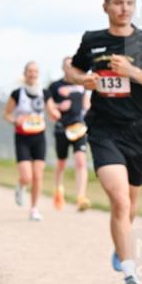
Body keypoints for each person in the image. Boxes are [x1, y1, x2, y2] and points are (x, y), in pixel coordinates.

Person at [66, 0, 142, 284]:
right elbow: (71, 67)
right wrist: (80, 79)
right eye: (117, 2)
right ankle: (131, 277)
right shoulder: (93, 40)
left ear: (134, 5)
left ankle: (121, 242)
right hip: (103, 131)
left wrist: (132, 71)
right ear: (106, 7)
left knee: (131, 204)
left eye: (129, 2)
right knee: (120, 202)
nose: (123, 8)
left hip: (138, 132)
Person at [3, 61, 50, 222]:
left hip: (39, 137)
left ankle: (34, 209)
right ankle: (21, 186)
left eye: (35, 71)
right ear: (25, 73)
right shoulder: (17, 93)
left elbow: (52, 111)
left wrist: (58, 113)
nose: (32, 74)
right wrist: (16, 120)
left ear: (38, 74)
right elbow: (7, 114)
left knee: (38, 175)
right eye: (30, 71)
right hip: (22, 137)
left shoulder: (44, 92)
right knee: (27, 176)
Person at [47, 56, 92, 212]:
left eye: (73, 66)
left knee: (81, 161)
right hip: (62, 129)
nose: (70, 68)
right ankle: (58, 189)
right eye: (67, 66)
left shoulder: (82, 84)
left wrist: (89, 115)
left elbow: (87, 104)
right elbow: (50, 108)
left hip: (79, 128)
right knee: (61, 163)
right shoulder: (54, 86)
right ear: (63, 68)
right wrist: (59, 107)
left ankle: (81, 197)